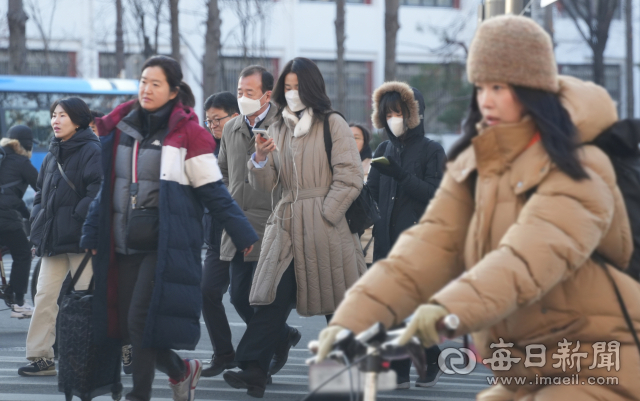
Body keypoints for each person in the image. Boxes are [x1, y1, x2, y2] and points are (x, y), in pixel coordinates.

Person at [317, 16, 640, 401]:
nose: (486, 98)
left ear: (533, 88)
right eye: (481, 86)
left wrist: (443, 311)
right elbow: (430, 245)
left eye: (500, 86)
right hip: (526, 362)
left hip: (598, 356)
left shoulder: (581, 166)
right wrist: (352, 320)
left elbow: (525, 261)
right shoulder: (478, 162)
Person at [80, 55, 258, 401]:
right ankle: (181, 371)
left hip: (163, 244)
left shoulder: (189, 133)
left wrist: (242, 231)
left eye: (156, 83)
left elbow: (213, 191)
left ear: (174, 90)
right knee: (132, 330)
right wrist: (91, 230)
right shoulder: (123, 127)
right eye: (143, 81)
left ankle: (140, 395)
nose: (146, 88)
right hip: (122, 240)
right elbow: (108, 186)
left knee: (140, 323)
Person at [223, 57, 366, 398]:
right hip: (286, 225)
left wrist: (326, 215)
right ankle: (254, 370)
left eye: (297, 87)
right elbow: (266, 185)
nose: (291, 94)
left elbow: (350, 177)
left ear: (312, 88)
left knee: (338, 309)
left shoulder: (333, 124)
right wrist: (259, 158)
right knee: (271, 299)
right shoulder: (277, 128)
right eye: (286, 87)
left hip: (327, 228)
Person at [202, 67, 301, 379]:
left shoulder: (286, 125)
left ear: (267, 95)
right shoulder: (231, 129)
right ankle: (282, 336)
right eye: (240, 91)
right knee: (238, 295)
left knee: (264, 298)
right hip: (235, 224)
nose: (243, 97)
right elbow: (223, 171)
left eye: (249, 92)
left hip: (272, 224)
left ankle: (257, 364)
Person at [366, 81, 446, 389]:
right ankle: (399, 369)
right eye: (387, 114)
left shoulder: (432, 150)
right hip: (385, 240)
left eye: (398, 113)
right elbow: (371, 191)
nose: (392, 119)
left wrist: (399, 175)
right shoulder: (384, 148)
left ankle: (430, 355)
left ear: (415, 114)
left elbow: (435, 193)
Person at [18, 98, 102, 376]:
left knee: (87, 300)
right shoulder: (53, 152)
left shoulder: (92, 149)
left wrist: (77, 217)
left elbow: (98, 190)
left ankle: (105, 353)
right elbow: (41, 192)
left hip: (81, 239)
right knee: (44, 296)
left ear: (78, 120)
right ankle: (41, 358)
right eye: (53, 115)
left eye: (62, 115)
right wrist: (38, 218)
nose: (55, 120)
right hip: (54, 238)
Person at [0, 125, 38, 318]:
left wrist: (23, 211)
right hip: (5, 219)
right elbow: (42, 187)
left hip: (6, 213)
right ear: (27, 145)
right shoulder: (22, 162)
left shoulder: (2, 156)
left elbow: (10, 196)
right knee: (22, 253)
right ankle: (19, 302)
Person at [349, 123, 374, 266]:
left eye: (356, 138)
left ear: (365, 142)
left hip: (367, 237)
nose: (351, 142)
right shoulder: (330, 166)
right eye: (347, 137)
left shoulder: (375, 167)